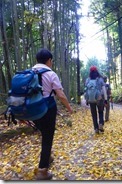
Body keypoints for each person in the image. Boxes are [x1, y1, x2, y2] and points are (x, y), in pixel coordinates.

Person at [33, 48, 73, 179]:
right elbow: (60, 94)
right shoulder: (51, 74)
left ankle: (47, 156)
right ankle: (42, 170)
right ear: (49, 60)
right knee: (47, 138)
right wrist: (69, 108)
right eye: (51, 60)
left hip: (33, 110)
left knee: (43, 134)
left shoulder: (30, 72)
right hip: (47, 109)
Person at [85, 66, 108, 134]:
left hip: (91, 99)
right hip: (99, 98)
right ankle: (101, 123)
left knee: (94, 114)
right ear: (97, 71)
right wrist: (105, 99)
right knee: (101, 111)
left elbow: (86, 90)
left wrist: (86, 99)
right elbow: (104, 90)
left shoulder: (88, 80)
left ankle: (96, 128)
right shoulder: (100, 79)